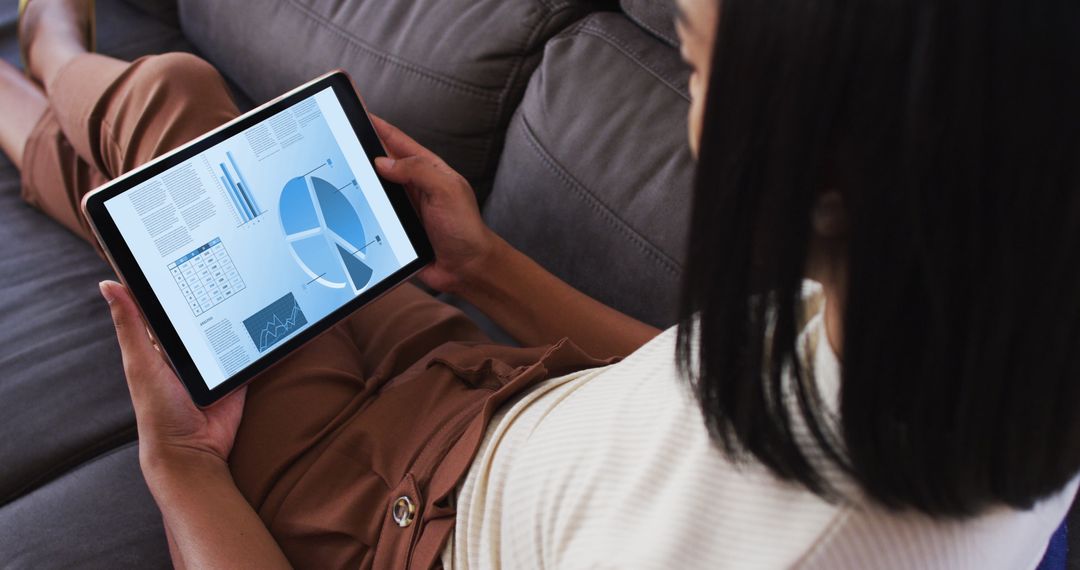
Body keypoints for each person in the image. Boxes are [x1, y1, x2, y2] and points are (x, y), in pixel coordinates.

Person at [2, 0, 1078, 567]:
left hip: (382, 516)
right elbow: (695, 396)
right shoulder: (979, 324)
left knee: (170, 115)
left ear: (819, 164)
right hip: (489, 390)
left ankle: (38, 57)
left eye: (693, 65)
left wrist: (183, 470)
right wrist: (488, 269)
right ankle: (44, 67)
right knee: (190, 172)